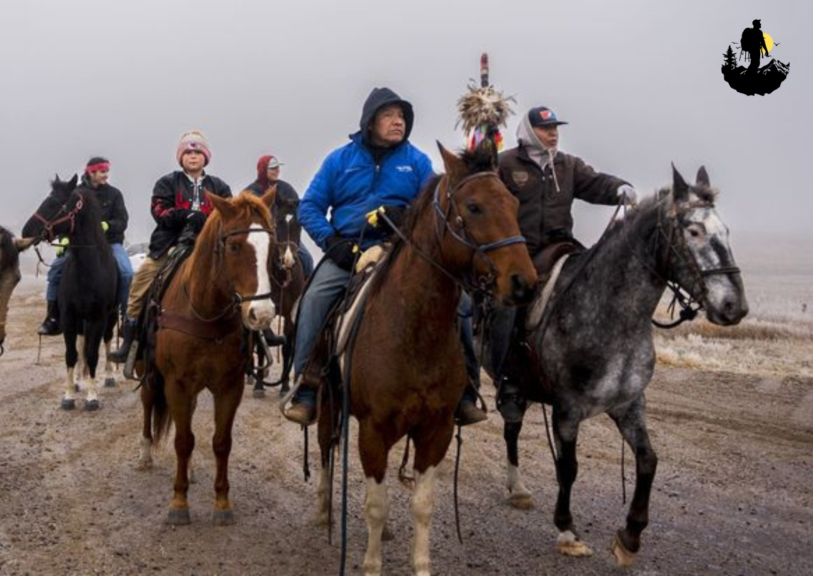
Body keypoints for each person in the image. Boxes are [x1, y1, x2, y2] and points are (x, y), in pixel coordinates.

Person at [283, 87, 486, 427]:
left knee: (461, 302)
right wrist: (332, 242)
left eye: (402, 116)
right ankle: (306, 383)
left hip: (402, 250)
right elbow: (310, 207)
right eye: (389, 115)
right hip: (348, 251)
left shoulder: (418, 162)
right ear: (370, 121)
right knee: (314, 299)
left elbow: (435, 209)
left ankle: (466, 388)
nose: (398, 122)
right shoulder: (339, 160)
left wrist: (404, 216)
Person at [491, 105, 636, 420]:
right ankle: (508, 380)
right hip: (521, 254)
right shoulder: (505, 164)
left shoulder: (569, 166)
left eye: (556, 128)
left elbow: (596, 183)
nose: (553, 133)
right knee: (507, 306)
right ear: (530, 132)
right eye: (546, 128)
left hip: (560, 248)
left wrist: (619, 188)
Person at [108, 131, 232, 364]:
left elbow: (228, 216)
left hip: (211, 248)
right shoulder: (167, 182)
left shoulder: (220, 186)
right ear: (181, 157)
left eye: (197, 152)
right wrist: (185, 215)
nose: (193, 156)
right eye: (188, 152)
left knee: (242, 281)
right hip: (170, 245)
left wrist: (206, 221)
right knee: (141, 281)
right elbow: (159, 211)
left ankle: (255, 338)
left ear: (206, 157)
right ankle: (130, 339)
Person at [37, 157, 134, 335]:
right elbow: (65, 219)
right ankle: (52, 316)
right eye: (102, 172)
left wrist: (107, 226)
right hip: (80, 245)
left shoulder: (114, 194)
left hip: (110, 243)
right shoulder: (76, 194)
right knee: (56, 270)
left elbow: (122, 220)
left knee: (127, 272)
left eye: (107, 171)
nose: (106, 175)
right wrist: (64, 239)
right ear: (91, 172)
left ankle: (125, 316)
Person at [244, 155, 314, 278]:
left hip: (286, 235)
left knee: (307, 259)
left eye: (277, 168)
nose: (277, 171)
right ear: (263, 170)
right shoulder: (251, 192)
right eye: (272, 168)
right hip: (261, 236)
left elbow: (296, 212)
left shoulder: (286, 188)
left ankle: (308, 291)